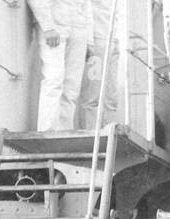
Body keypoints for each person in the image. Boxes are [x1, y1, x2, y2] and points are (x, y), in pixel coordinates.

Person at [28, 0, 94, 132]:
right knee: (54, 79)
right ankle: (47, 132)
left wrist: (89, 40)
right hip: (55, 26)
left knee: (72, 86)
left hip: (78, 28)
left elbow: (87, 5)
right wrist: (48, 27)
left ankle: (65, 132)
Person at [78, 0, 119, 130]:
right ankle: (89, 135)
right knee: (92, 94)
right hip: (97, 40)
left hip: (113, 40)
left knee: (110, 96)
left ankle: (109, 136)